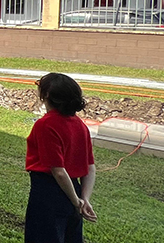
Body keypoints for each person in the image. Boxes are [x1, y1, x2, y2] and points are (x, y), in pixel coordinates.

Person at [25, 73, 97, 243]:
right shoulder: (80, 125)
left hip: (48, 194)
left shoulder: (45, 125)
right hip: (74, 189)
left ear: (47, 96)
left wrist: (76, 201)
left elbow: (58, 172)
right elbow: (90, 167)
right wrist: (84, 199)